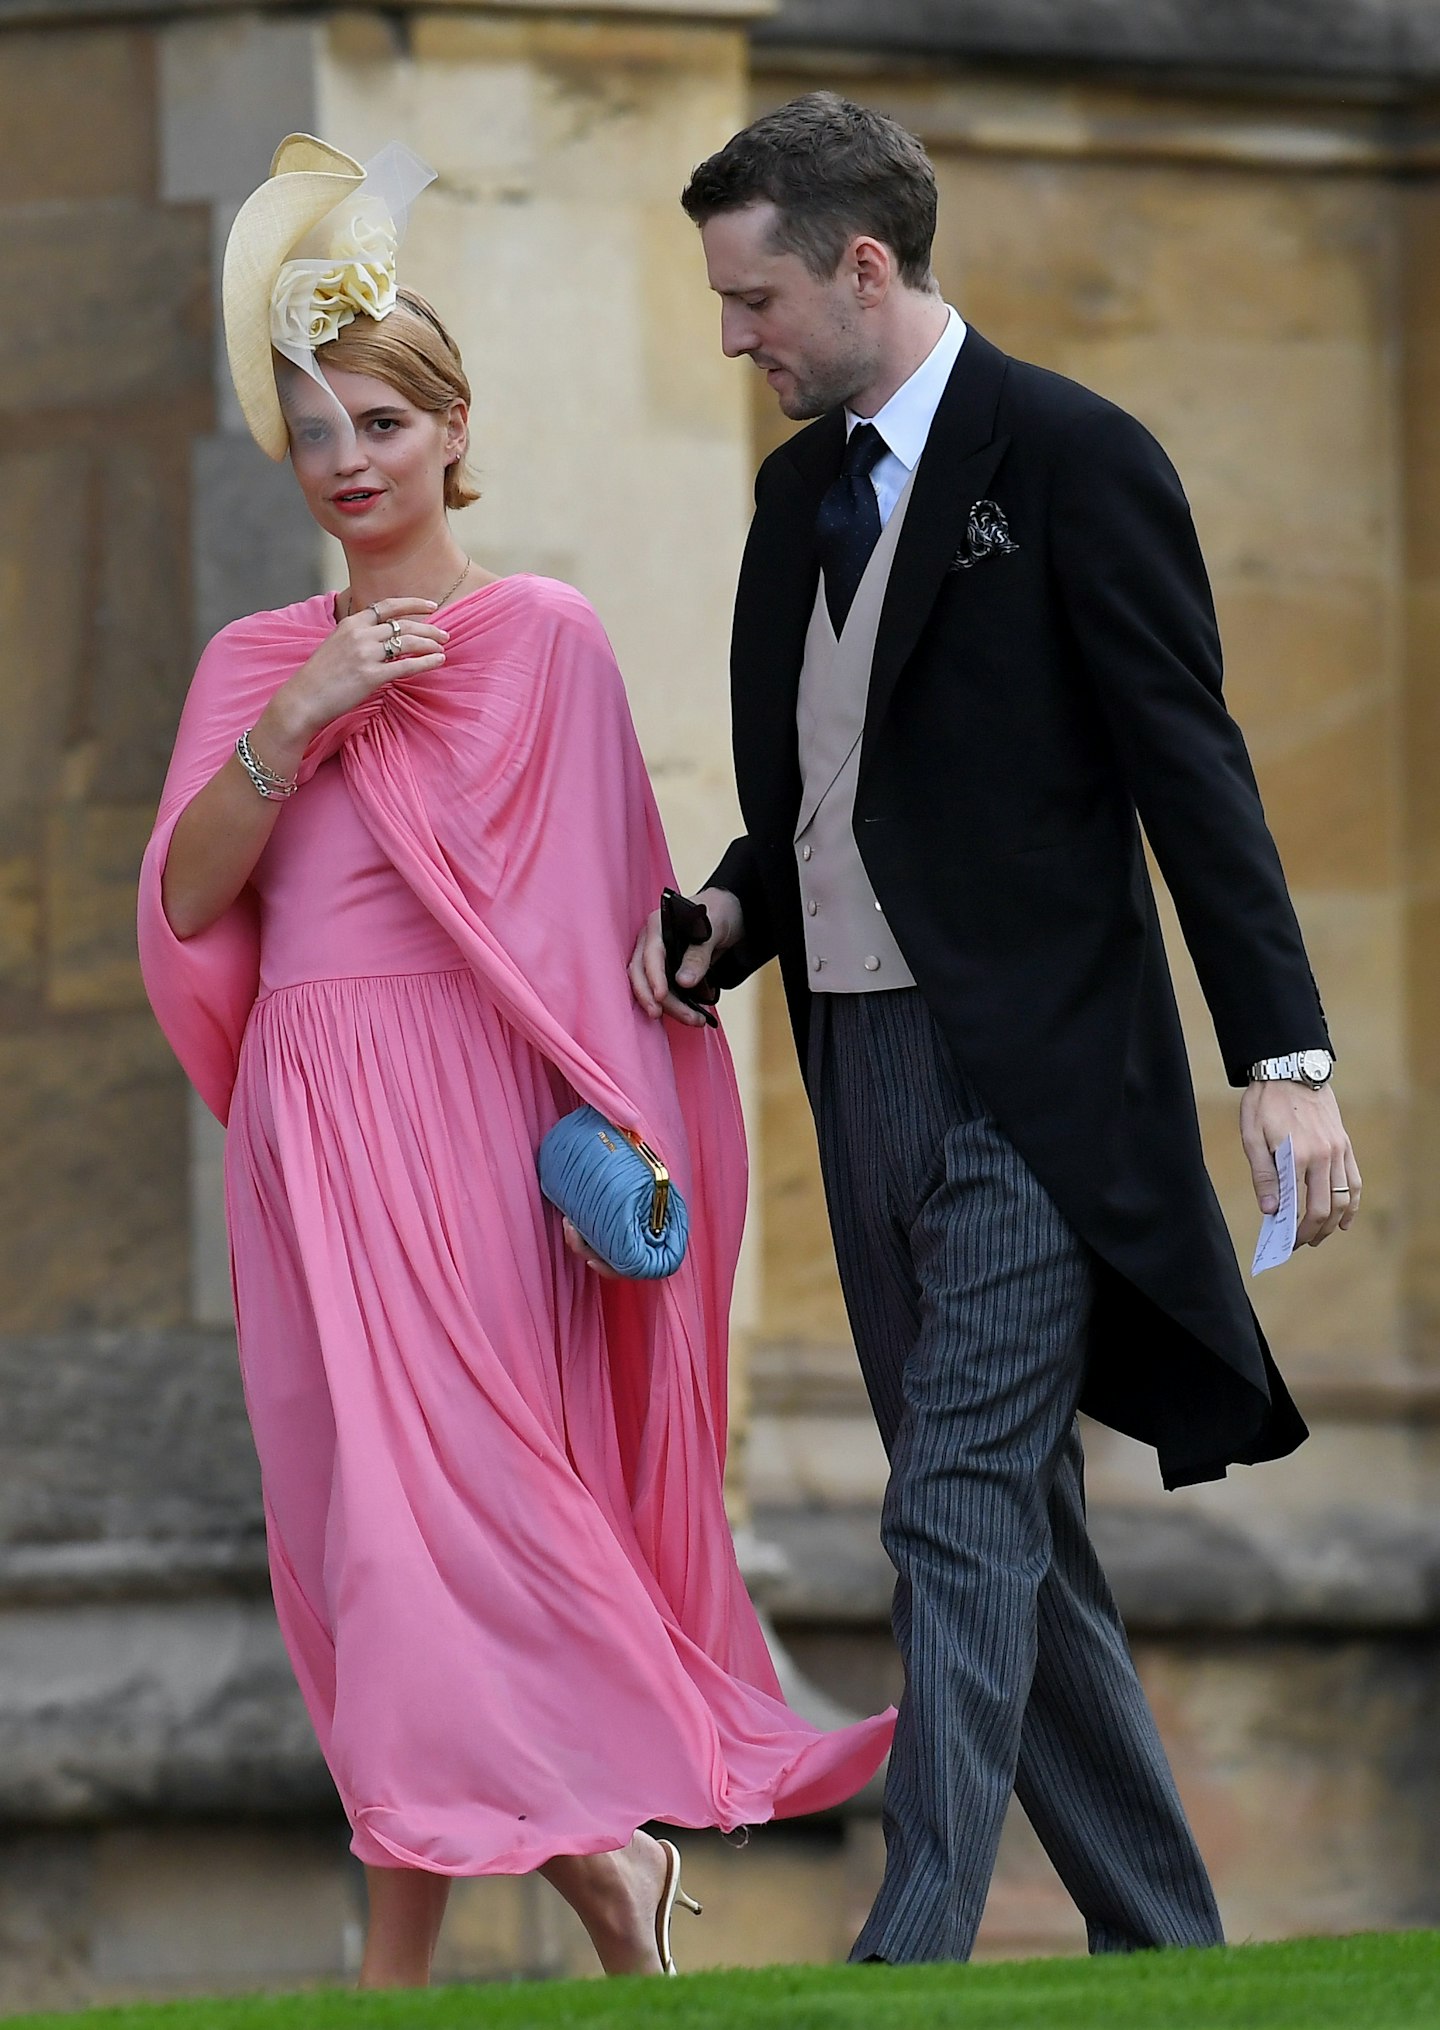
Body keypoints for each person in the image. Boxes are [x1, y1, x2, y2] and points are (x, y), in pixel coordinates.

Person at [138, 133, 892, 1991]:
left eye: (383, 419)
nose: (350, 459)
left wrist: (609, 1149)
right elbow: (181, 896)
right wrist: (306, 719)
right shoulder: (255, 659)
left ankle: (414, 1964)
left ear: (451, 427)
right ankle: (598, 1883)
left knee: (447, 1537)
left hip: (475, 1137)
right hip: (313, 1126)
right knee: (355, 1532)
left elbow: (591, 935)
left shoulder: (543, 637)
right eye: (318, 432)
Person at [631, 93, 1362, 1965]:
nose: (733, 336)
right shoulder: (797, 497)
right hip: (858, 1072)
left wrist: (1282, 1066)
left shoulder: (1074, 453)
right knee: (1009, 1523)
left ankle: (916, 1942)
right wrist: (729, 912)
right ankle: (1170, 1946)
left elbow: (1193, 775)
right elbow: (832, 789)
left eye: (753, 296)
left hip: (1041, 1086)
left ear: (864, 266)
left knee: (949, 1498)